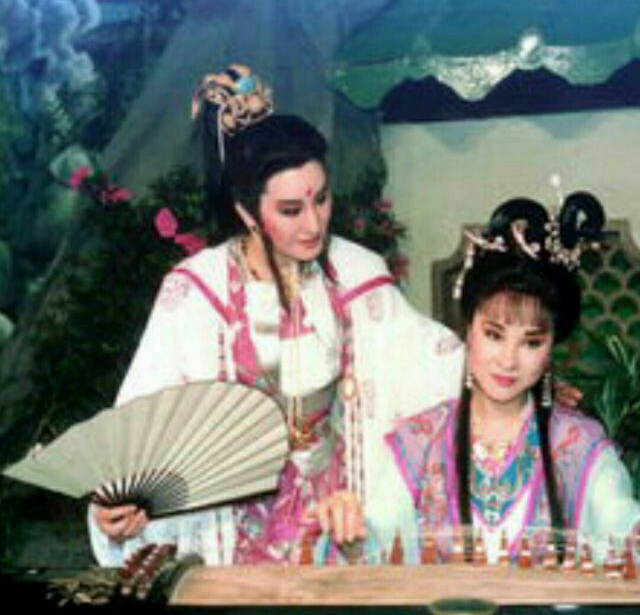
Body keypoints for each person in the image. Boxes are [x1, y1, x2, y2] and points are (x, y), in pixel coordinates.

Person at [88, 64, 464, 566]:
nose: (314, 224)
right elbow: (142, 424)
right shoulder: (197, 292)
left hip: (337, 515)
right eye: (290, 210)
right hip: (233, 529)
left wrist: (509, 377)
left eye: (322, 199)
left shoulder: (357, 273)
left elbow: (435, 369)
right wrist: (122, 502)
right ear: (247, 211)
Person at [384, 192, 640, 565]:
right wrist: (346, 525)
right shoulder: (419, 441)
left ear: (552, 348)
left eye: (531, 342)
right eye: (494, 334)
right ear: (467, 329)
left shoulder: (576, 445)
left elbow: (621, 523)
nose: (508, 360)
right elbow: (374, 534)